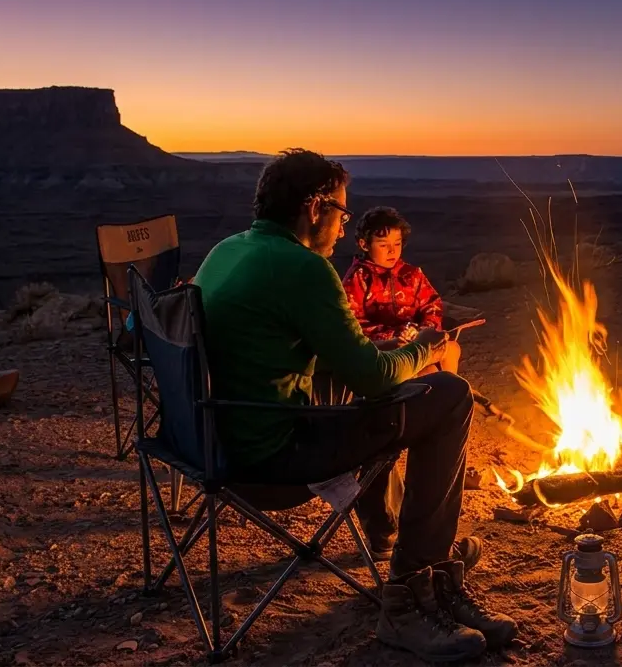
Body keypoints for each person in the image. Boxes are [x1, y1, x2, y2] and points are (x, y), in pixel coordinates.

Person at [193, 148, 516, 661]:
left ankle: (412, 553)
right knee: (451, 397)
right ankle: (410, 595)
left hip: (212, 441)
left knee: (368, 380)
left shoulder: (226, 251)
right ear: (315, 207)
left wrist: (388, 350)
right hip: (274, 460)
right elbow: (369, 376)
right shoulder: (305, 269)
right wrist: (426, 348)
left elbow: (342, 356)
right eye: (342, 213)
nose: (345, 228)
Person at [342, 206, 461, 374]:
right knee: (429, 372)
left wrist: (423, 331)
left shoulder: (411, 275)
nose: (392, 250)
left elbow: (432, 304)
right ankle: (440, 393)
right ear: (364, 244)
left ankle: (453, 389)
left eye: (397, 243)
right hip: (386, 349)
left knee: (452, 348)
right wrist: (392, 335)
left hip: (417, 340)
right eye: (383, 245)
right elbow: (352, 321)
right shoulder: (359, 278)